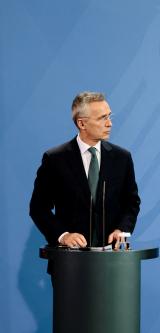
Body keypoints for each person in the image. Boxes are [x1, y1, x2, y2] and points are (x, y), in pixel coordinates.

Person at [30, 91, 140, 253]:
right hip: (69, 261)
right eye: (102, 118)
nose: (109, 123)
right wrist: (63, 235)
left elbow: (131, 203)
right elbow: (38, 208)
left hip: (112, 261)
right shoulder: (55, 159)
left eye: (109, 116)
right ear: (82, 124)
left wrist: (121, 230)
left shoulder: (121, 158)